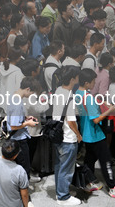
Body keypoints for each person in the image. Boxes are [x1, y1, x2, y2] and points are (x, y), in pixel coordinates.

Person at [75, 69, 115, 200]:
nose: (95, 83)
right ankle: (113, 188)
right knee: (106, 161)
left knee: (90, 158)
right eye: (94, 81)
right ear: (87, 82)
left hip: (86, 133)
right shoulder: (88, 97)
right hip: (95, 134)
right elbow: (96, 119)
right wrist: (110, 110)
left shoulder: (78, 93)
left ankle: (88, 182)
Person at [51, 66, 82, 206]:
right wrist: (78, 134)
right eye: (77, 76)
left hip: (57, 135)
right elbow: (71, 121)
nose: (78, 78)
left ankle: (60, 191)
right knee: (67, 168)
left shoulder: (58, 90)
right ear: (72, 79)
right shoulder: (70, 96)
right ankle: (63, 197)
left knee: (59, 166)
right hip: (68, 138)